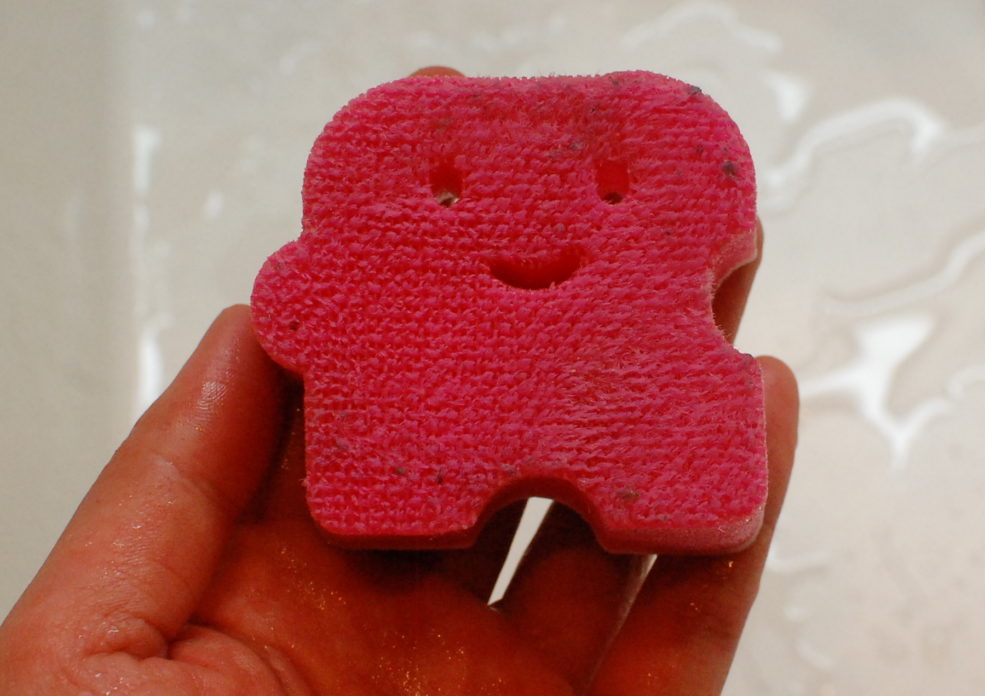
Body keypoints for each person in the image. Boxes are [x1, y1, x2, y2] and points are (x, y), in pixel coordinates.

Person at [0, 81, 798, 696]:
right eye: (457, 196)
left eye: (608, 195)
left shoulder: (663, 356)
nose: (531, 225)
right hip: (418, 456)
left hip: (623, 440)